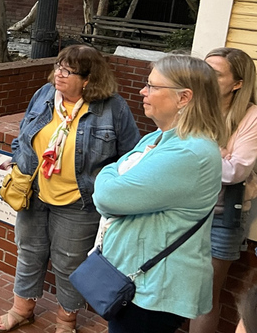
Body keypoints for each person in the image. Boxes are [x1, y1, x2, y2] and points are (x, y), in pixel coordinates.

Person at [0, 45, 140, 333]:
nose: (58, 75)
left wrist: (106, 187)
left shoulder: (113, 108)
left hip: (80, 202)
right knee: (29, 253)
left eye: (67, 71)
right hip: (34, 193)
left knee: (68, 264)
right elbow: (23, 134)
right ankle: (21, 310)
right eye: (58, 67)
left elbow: (130, 158)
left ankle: (65, 322)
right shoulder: (45, 95)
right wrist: (19, 164)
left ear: (89, 79)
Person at [92, 55, 226, 333]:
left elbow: (107, 195)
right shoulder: (159, 136)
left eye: (153, 86)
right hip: (137, 280)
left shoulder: (189, 153)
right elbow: (114, 180)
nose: (143, 91)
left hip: (154, 290)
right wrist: (112, 175)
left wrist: (108, 174)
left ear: (184, 97)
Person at [190, 48, 257, 333]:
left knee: (205, 297)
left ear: (238, 83)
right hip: (184, 209)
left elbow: (234, 172)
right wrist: (220, 152)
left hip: (222, 215)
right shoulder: (192, 104)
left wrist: (201, 146)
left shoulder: (251, 117)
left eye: (216, 74)